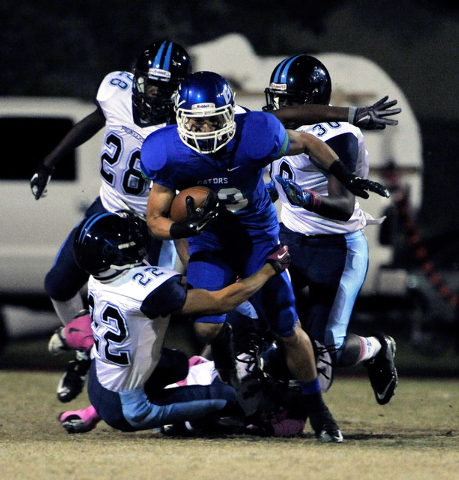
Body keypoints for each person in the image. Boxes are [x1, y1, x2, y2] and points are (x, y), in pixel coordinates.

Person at [139, 71, 391, 442]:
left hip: (257, 238)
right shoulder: (166, 150)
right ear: (180, 116)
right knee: (206, 325)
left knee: (288, 329)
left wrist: (344, 175)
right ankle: (233, 380)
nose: (205, 127)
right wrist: (184, 231)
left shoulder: (255, 133)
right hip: (210, 240)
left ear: (229, 113)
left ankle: (318, 410)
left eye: (213, 118)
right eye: (196, 119)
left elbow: (306, 142)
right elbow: (154, 219)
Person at [30, 40, 192, 403]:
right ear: (137, 79)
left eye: (165, 87)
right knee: (59, 283)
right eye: (152, 83)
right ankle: (84, 351)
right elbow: (94, 120)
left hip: (151, 225)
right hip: (107, 209)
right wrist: (50, 161)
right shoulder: (115, 93)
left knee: (150, 315)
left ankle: (160, 382)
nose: (156, 92)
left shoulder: (185, 121)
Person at [57, 210, 291, 433]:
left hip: (101, 378)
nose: (134, 236)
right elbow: (220, 302)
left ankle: (93, 410)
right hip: (129, 407)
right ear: (114, 255)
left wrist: (182, 230)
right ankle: (183, 425)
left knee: (178, 364)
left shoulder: (100, 276)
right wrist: (269, 269)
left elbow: (170, 285)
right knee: (231, 398)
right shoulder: (147, 292)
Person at [265, 54, 398, 403]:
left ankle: (376, 349)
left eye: (288, 100)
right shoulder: (275, 130)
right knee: (262, 318)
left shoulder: (340, 136)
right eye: (277, 97)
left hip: (336, 247)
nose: (279, 107)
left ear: (309, 101)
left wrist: (308, 200)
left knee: (327, 349)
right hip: (291, 238)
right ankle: (269, 401)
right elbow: (278, 181)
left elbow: (343, 207)